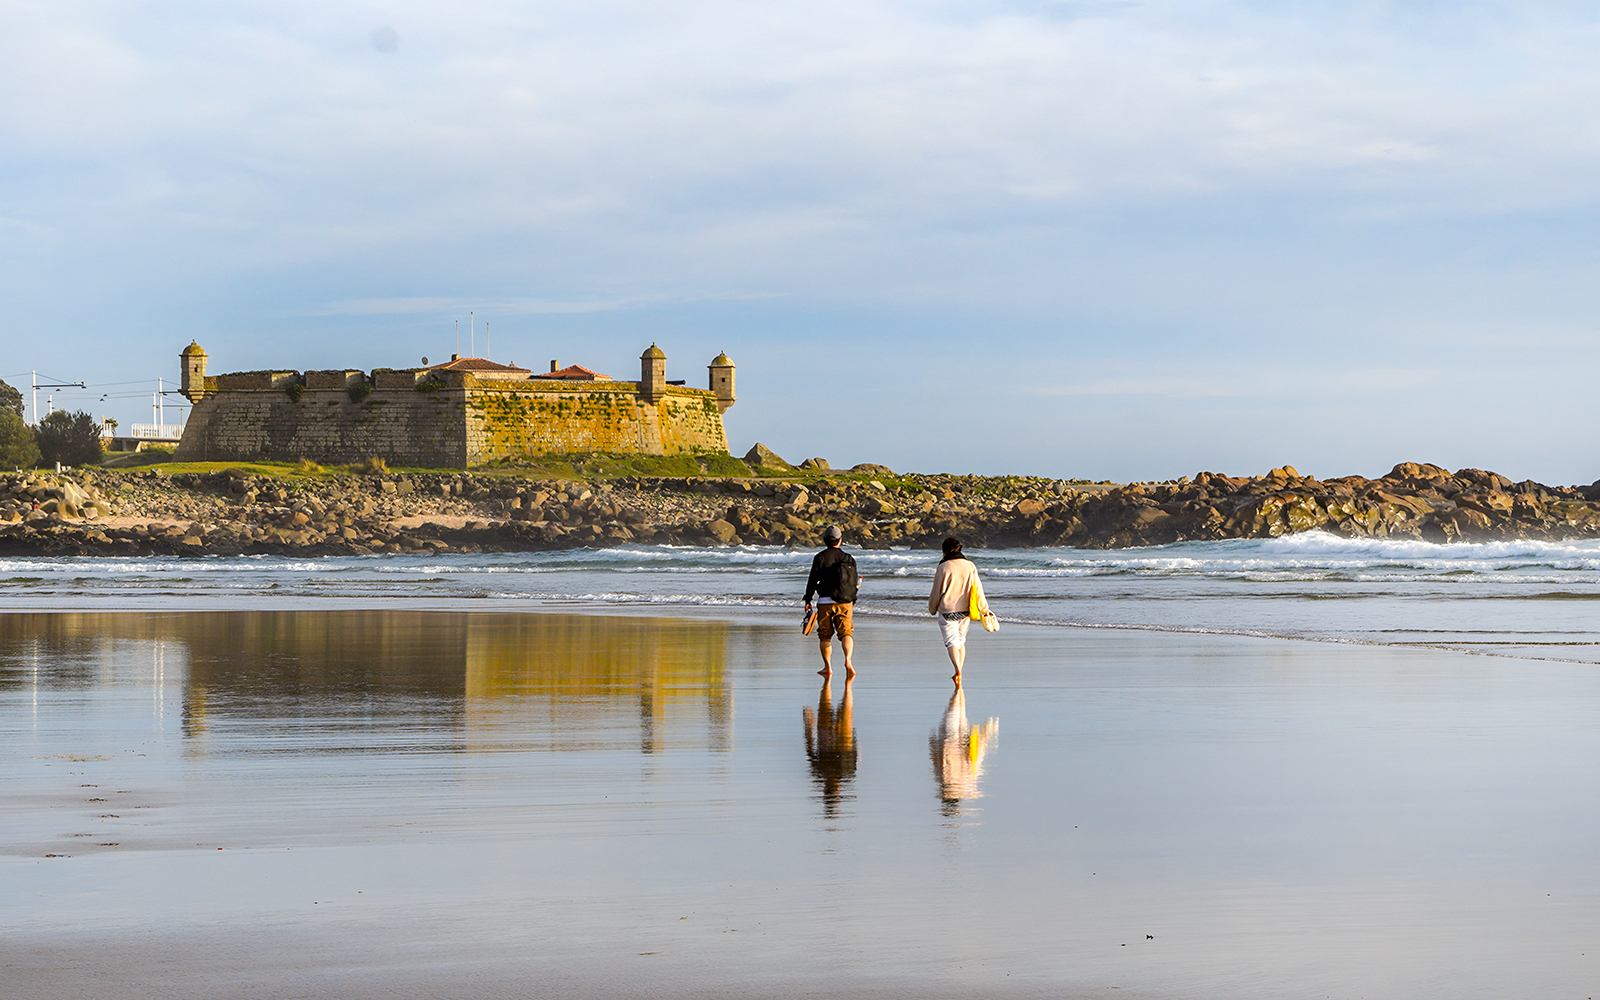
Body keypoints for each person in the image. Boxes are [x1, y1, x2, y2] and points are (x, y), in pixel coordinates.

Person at [927, 536, 986, 684]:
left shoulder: (943, 567)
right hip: (966, 610)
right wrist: (984, 608)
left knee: (951, 642)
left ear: (945, 550)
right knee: (960, 641)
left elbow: (937, 591)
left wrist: (932, 608)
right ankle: (960, 670)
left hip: (947, 610)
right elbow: (978, 588)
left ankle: (957, 670)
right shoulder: (970, 565)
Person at [804, 525, 860, 678]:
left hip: (825, 602)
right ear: (840, 540)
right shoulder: (848, 558)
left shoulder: (820, 557)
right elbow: (854, 582)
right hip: (845, 601)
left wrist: (808, 599)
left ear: (825, 540)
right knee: (846, 632)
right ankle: (848, 660)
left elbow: (812, 580)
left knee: (825, 636)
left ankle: (827, 667)